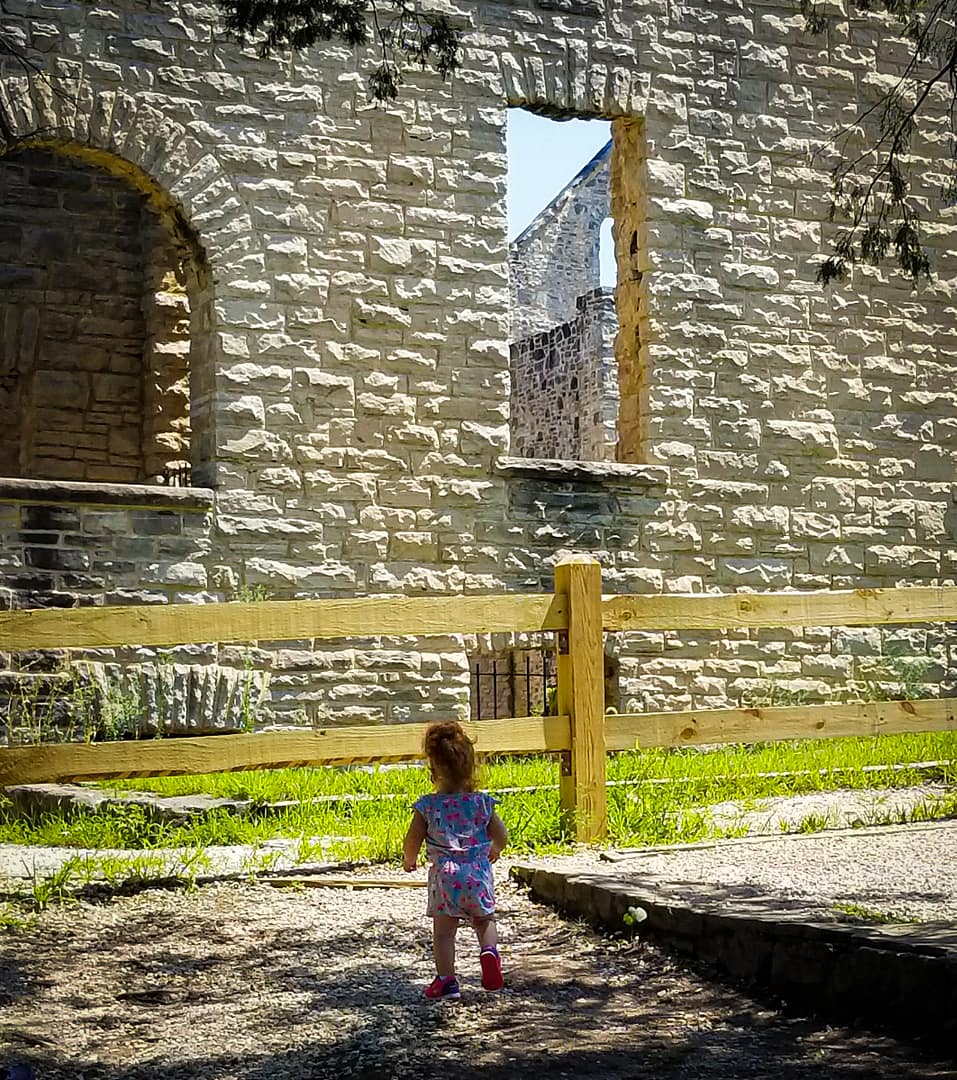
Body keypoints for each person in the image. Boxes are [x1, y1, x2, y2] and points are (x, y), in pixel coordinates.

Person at [403, 720, 509, 1001]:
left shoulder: (428, 805)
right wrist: (495, 848)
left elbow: (413, 838)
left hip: (446, 877)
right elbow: (501, 834)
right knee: (484, 921)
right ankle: (489, 952)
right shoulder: (482, 802)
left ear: (433, 770)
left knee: (444, 933)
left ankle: (447, 981)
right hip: (477, 872)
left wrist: (409, 859)